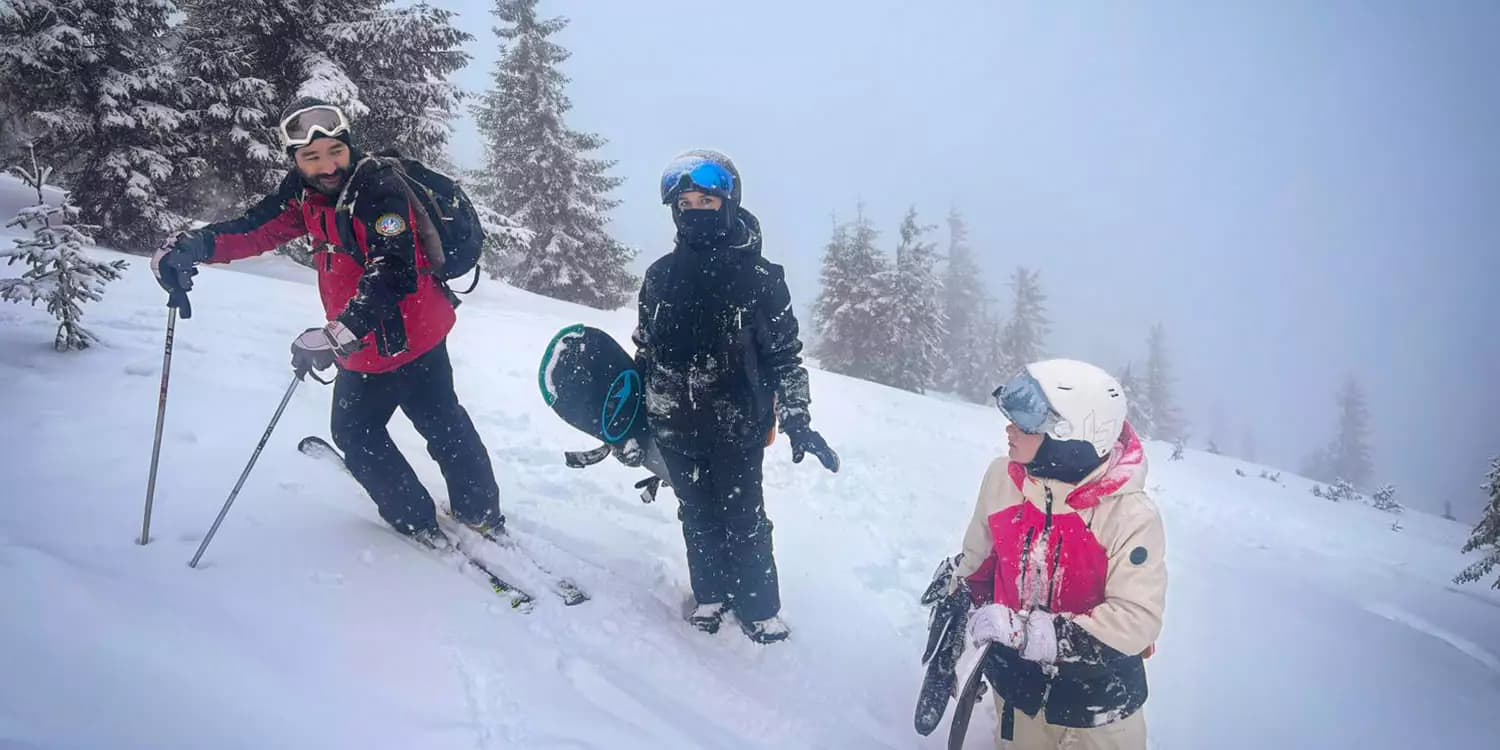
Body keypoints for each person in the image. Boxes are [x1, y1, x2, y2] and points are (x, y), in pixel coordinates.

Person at [149, 98, 501, 550]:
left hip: (391, 339)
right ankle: (478, 510)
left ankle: (420, 520)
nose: (327, 165)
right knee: (441, 420)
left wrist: (340, 333)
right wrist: (193, 246)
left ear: (349, 144)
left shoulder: (379, 191)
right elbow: (256, 228)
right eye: (311, 157)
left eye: (335, 150)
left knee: (361, 431)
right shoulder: (303, 194)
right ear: (295, 159)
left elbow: (392, 270)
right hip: (404, 334)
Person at [626, 149, 839, 644]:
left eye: (707, 199)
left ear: (728, 203)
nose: (696, 209)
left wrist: (798, 417)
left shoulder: (763, 280)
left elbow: (786, 356)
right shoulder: (659, 277)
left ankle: (758, 607)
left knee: (744, 519)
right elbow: (646, 351)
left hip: (736, 425)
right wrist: (634, 417)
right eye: (687, 202)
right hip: (673, 424)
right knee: (697, 514)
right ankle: (711, 596)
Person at [952, 359, 1166, 749]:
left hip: (1097, 709)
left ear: (1070, 436)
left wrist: (1030, 633)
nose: (1009, 428)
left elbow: (1137, 620)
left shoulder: (1129, 515)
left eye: (1025, 422)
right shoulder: (1003, 479)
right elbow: (980, 564)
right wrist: (958, 601)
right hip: (1017, 692)